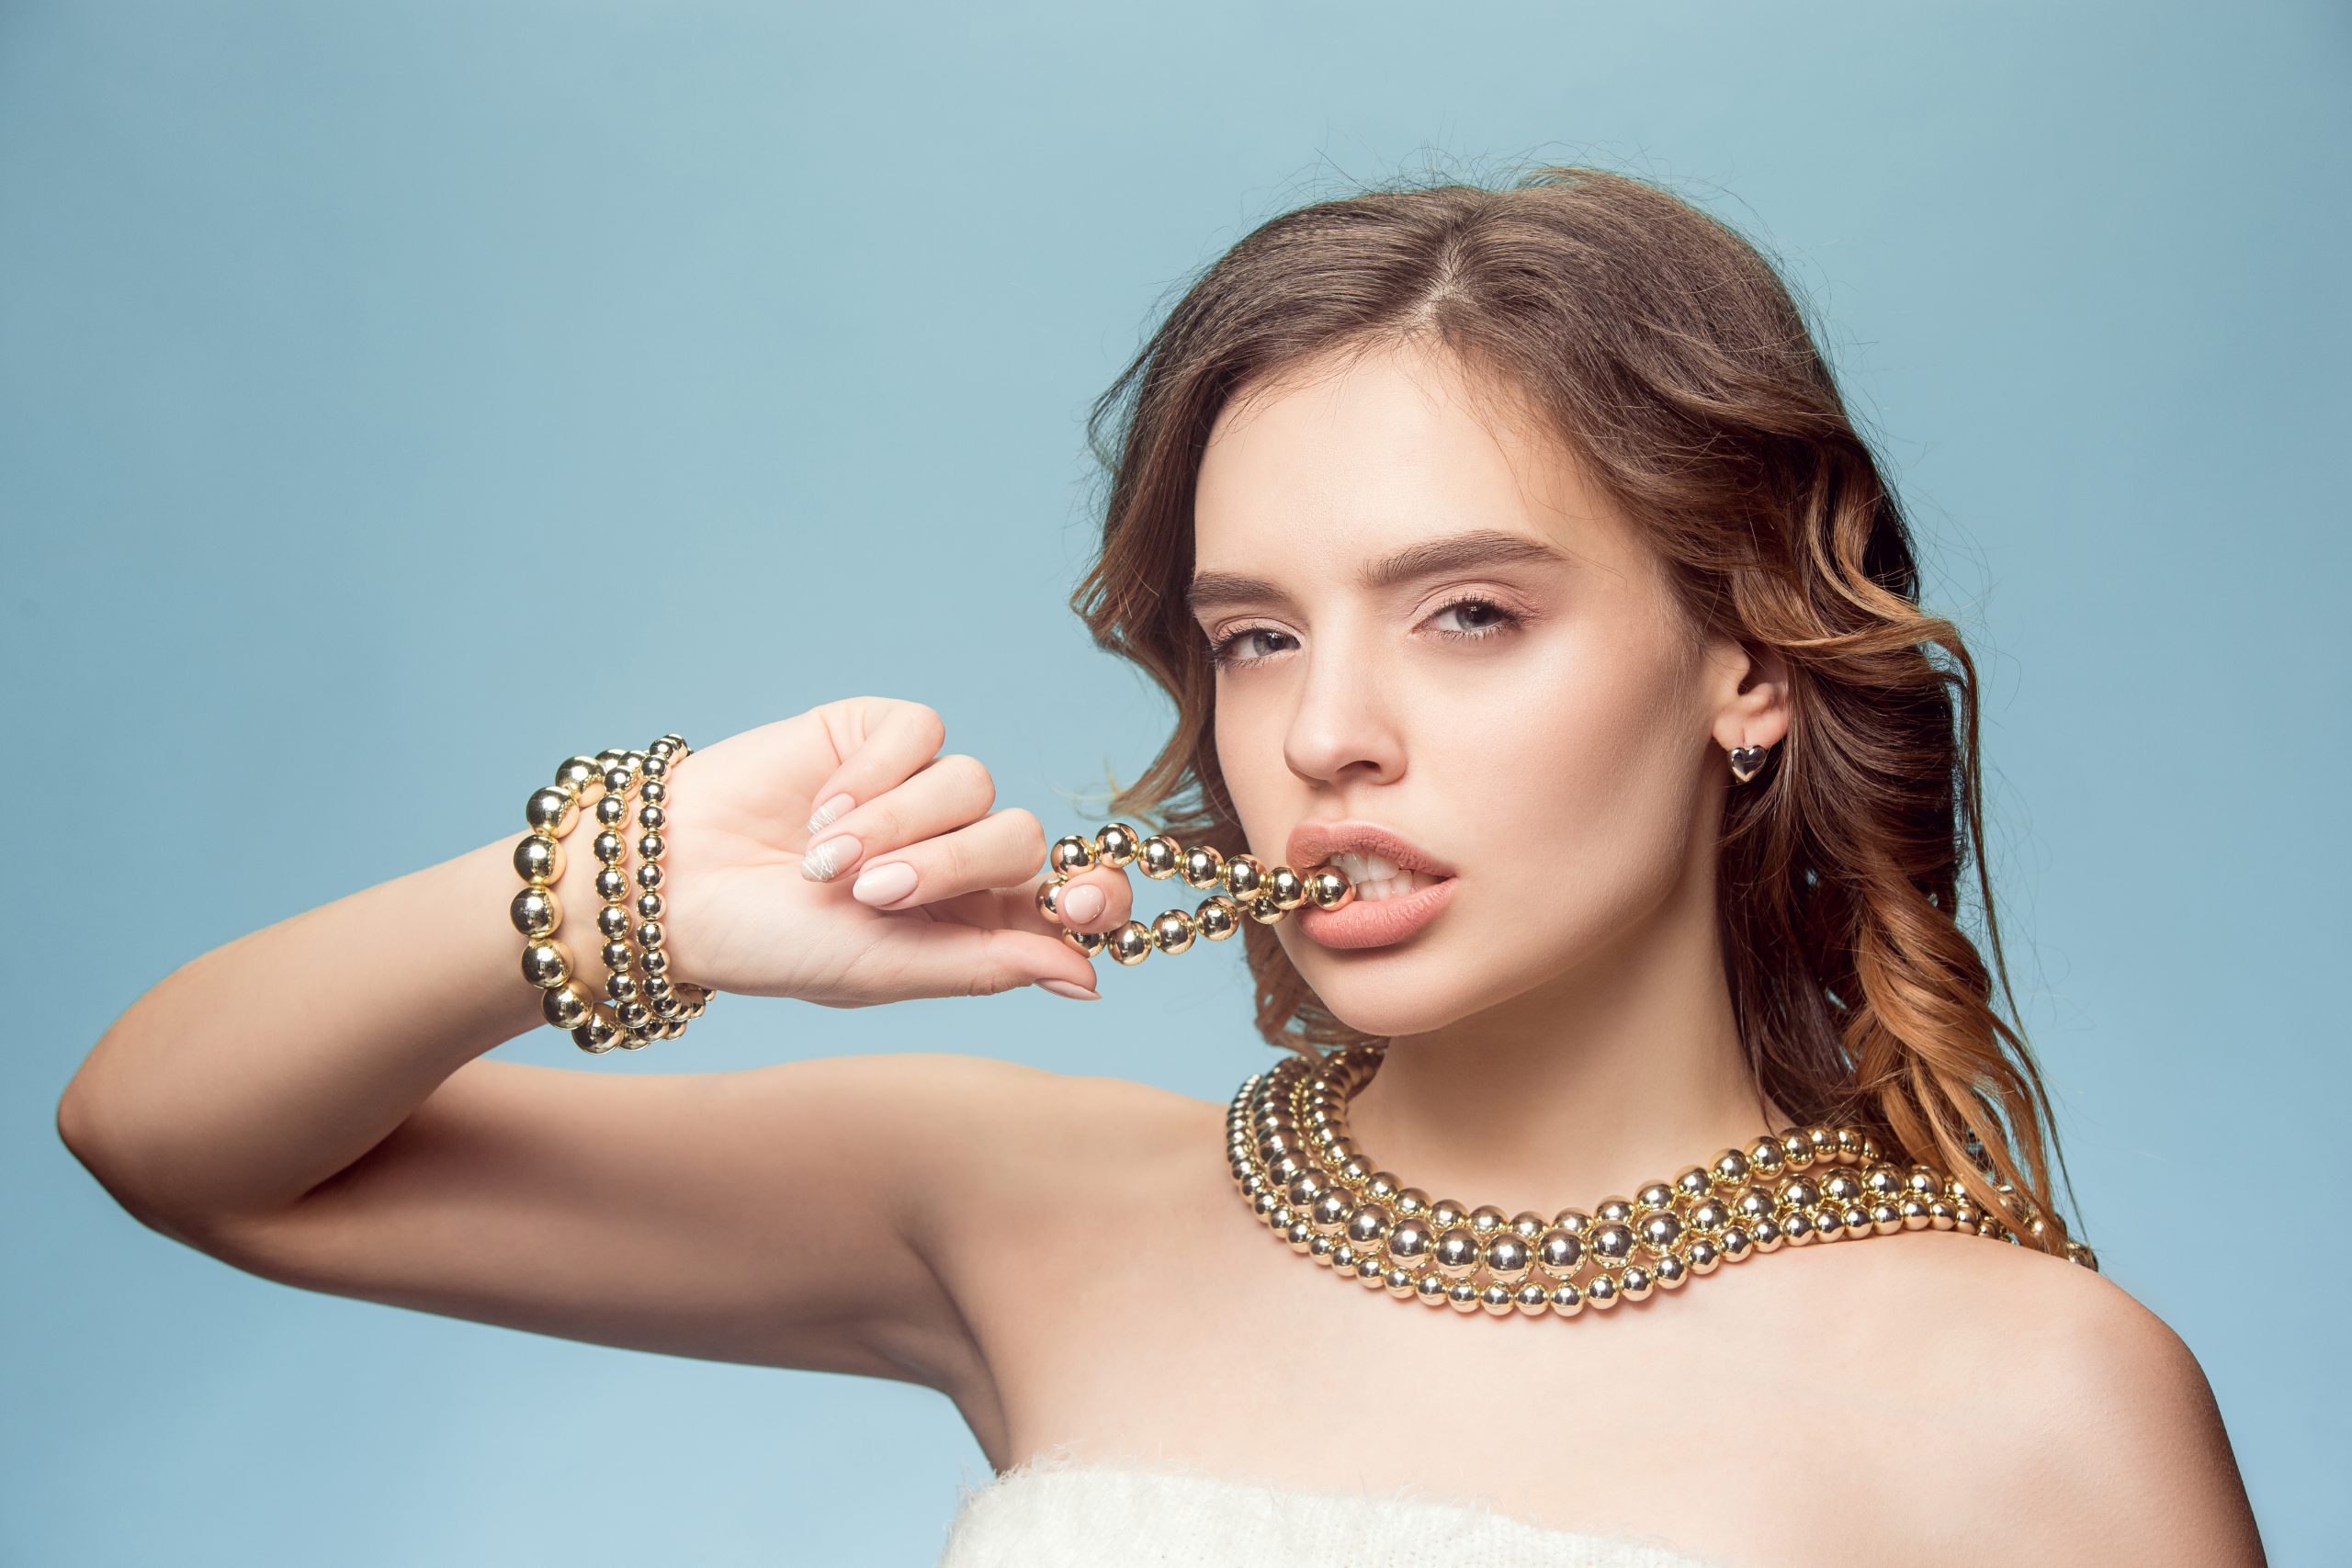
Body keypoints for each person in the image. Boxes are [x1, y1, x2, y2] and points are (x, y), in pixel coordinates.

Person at [55, 165, 2265, 1567]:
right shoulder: (1031, 1208)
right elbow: (177, 1136)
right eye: (1251, 635)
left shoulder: (2028, 1402)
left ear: (1746, 666)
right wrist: (642, 888)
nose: (1321, 732)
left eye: (1468, 611)